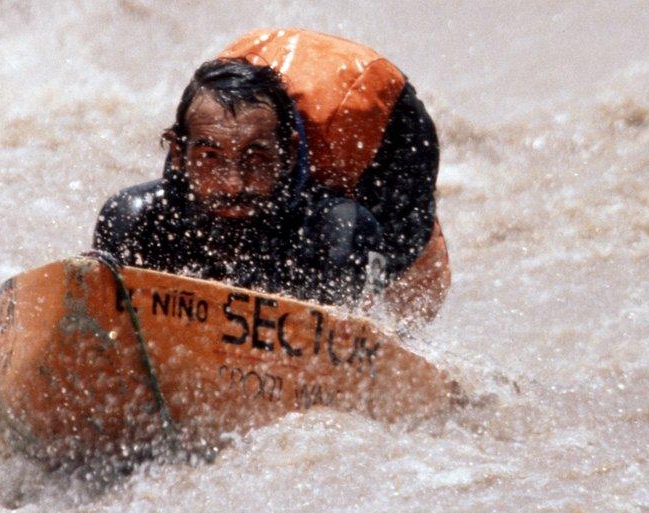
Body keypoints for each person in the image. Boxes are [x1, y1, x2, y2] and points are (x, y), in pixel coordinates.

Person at [94, 29, 450, 321]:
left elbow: (342, 338)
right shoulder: (137, 214)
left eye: (255, 159)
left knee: (400, 289)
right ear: (178, 153)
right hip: (265, 91)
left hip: (385, 140)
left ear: (289, 153)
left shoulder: (340, 221)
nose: (233, 182)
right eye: (210, 157)